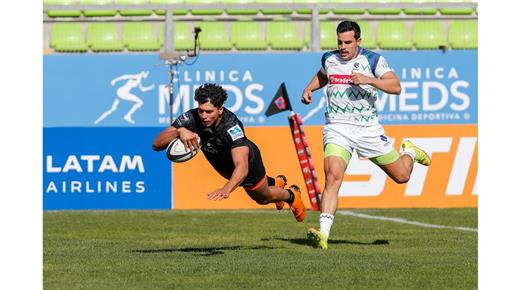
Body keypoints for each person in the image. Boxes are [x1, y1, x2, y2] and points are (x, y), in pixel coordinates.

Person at [302, 21, 431, 249]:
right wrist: (309, 88)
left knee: (402, 176)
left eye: (348, 42)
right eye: (340, 42)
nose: (343, 47)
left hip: (368, 130)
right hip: (337, 127)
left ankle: (409, 150)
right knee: (332, 176)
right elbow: (324, 76)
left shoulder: (372, 60)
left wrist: (369, 79)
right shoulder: (329, 59)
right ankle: (323, 234)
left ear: (358, 41)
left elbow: (396, 86)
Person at [152, 83, 306, 222]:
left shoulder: (231, 127)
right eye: (201, 111)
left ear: (220, 109)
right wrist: (179, 131)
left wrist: (226, 189)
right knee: (260, 189)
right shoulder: (191, 118)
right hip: (224, 166)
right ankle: (275, 183)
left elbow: (242, 166)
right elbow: (156, 144)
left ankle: (291, 195)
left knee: (263, 198)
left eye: (209, 111)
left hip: (248, 164)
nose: (203, 116)